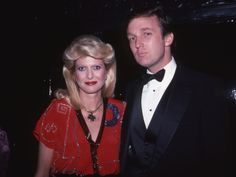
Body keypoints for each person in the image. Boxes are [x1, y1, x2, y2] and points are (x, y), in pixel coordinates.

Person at [119, 5, 227, 177]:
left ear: (168, 38)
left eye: (146, 34)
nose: (137, 44)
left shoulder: (205, 87)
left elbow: (219, 158)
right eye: (131, 38)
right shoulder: (130, 89)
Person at [33, 35, 126, 177]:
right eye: (82, 68)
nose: (90, 76)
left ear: (107, 72)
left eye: (96, 67)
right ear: (73, 75)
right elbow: (42, 172)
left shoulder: (121, 111)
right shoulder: (58, 111)